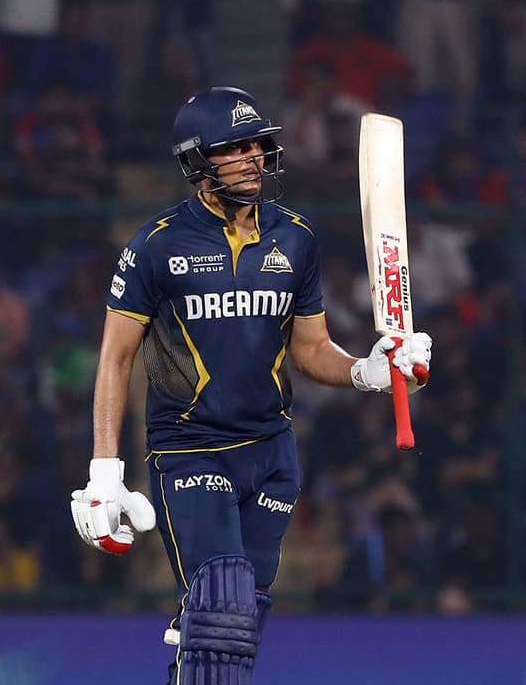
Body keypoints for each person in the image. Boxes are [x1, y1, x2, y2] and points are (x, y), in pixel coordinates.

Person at [67, 86, 434, 684]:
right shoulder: (157, 245)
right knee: (222, 595)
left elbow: (311, 348)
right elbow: (115, 358)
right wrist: (104, 472)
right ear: (197, 161)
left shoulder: (296, 238)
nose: (253, 159)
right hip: (190, 448)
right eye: (234, 149)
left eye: (257, 146)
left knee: (239, 620)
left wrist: (367, 371)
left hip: (271, 453)